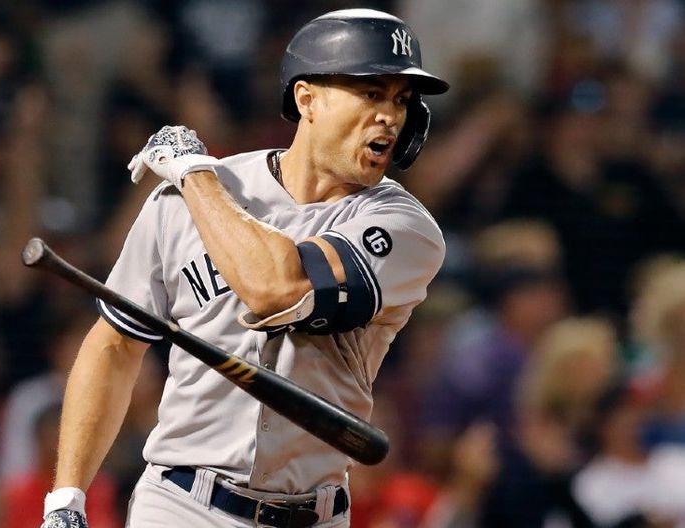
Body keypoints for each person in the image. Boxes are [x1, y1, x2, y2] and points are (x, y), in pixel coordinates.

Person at [40, 8, 449, 528]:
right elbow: (115, 344)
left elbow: (276, 287)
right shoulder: (189, 197)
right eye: (371, 93)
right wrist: (67, 497)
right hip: (182, 505)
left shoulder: (405, 228)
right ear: (307, 99)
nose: (390, 116)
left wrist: (193, 174)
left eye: (401, 100)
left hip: (314, 512)